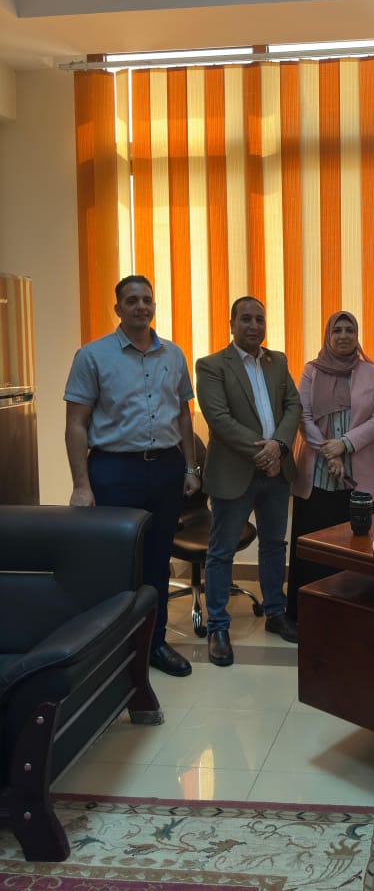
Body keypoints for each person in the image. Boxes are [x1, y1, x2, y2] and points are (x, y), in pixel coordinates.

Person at [64, 274, 200, 677]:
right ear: (118, 309)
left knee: (157, 561)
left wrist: (190, 467)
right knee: (116, 562)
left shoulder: (174, 354)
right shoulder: (92, 356)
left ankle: (154, 644)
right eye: (132, 300)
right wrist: (81, 484)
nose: (141, 306)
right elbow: (76, 424)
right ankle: (113, 649)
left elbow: (183, 415)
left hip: (166, 468)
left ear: (154, 306)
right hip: (113, 470)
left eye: (147, 300)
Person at [196, 296, 302, 665]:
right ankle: (218, 626)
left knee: (274, 545)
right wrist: (265, 451)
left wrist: (280, 446)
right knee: (221, 551)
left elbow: (293, 406)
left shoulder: (278, 361)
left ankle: (275, 613)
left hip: (276, 473)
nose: (254, 325)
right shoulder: (212, 365)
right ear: (231, 324)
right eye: (246, 319)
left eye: (260, 319)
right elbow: (218, 418)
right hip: (234, 473)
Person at [286, 311, 374, 621]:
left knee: (358, 549)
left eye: (349, 330)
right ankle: (309, 616)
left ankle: (357, 618)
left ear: (357, 335)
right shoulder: (311, 371)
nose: (343, 336)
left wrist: (343, 445)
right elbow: (303, 416)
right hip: (318, 474)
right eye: (337, 330)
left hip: (361, 475)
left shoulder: (373, 372)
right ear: (328, 336)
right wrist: (329, 454)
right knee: (315, 546)